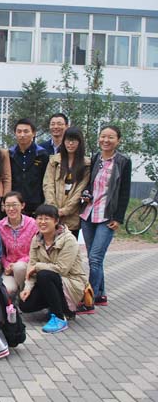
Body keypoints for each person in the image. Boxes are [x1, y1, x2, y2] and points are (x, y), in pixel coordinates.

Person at [80, 125, 131, 308]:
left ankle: (89, 299)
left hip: (107, 216)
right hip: (89, 214)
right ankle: (100, 294)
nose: (106, 140)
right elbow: (90, 184)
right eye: (103, 136)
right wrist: (86, 194)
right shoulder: (96, 158)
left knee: (95, 258)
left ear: (118, 140)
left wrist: (118, 218)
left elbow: (124, 191)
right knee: (94, 258)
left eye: (111, 137)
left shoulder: (123, 161)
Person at [20, 204, 90, 332]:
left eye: (47, 219)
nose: (42, 222)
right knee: (25, 305)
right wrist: (27, 288)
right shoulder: (36, 239)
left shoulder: (69, 240)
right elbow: (31, 265)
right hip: (52, 280)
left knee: (44, 274)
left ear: (56, 221)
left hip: (71, 282)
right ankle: (57, 306)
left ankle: (59, 317)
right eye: (39, 218)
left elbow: (62, 269)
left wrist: (37, 266)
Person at [43, 127, 91, 239]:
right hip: (52, 213)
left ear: (80, 142)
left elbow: (80, 189)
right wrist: (53, 209)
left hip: (72, 215)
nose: (70, 144)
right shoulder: (54, 161)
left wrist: (65, 210)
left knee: (69, 245)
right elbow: (48, 184)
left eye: (74, 141)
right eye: (67, 140)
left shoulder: (86, 164)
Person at [0, 191, 38, 296]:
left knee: (19, 267)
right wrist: (6, 265)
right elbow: (0, 251)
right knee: (7, 290)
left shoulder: (33, 224)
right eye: (7, 205)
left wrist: (19, 263)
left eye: (14, 205)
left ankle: (25, 294)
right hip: (9, 268)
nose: (11, 209)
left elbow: (37, 251)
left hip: (27, 266)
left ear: (22, 205)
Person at [9, 118, 49, 216]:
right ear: (15, 133)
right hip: (14, 204)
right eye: (19, 131)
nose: (22, 135)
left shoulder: (41, 154)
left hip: (36, 204)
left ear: (33, 133)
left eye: (26, 131)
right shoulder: (10, 154)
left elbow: (46, 179)